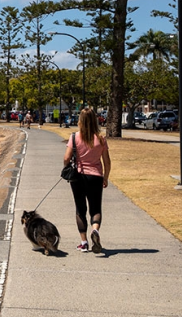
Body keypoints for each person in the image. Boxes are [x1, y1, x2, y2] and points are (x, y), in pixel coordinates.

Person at [64, 107, 112, 253]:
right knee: (95, 208)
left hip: (78, 177)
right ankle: (95, 230)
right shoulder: (101, 139)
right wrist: (106, 177)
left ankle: (84, 242)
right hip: (96, 176)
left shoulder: (74, 137)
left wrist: (68, 167)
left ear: (80, 120)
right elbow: (107, 162)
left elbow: (66, 158)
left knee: (80, 209)